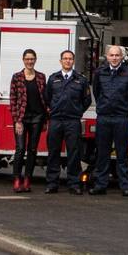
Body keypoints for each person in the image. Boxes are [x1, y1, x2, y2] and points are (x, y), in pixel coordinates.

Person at [90, 45, 128, 196]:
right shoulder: (99, 72)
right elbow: (97, 92)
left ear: (122, 57)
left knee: (122, 153)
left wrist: (123, 107)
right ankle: (101, 185)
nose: (114, 58)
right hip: (104, 118)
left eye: (117, 55)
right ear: (107, 56)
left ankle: (125, 186)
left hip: (121, 118)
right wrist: (105, 106)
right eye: (111, 55)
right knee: (102, 153)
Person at [44, 50, 93, 195]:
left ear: (73, 61)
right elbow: (47, 97)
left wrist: (77, 111)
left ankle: (74, 183)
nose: (67, 61)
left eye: (70, 59)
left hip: (73, 121)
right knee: (53, 152)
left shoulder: (81, 80)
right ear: (61, 61)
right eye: (65, 59)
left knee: (74, 153)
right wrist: (54, 109)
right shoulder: (53, 79)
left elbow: (87, 100)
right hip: (56, 120)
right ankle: (52, 183)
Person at [10, 49, 49, 193]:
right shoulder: (17, 77)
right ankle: (16, 179)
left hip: (37, 118)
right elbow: (13, 100)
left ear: (35, 60)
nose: (30, 61)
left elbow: (44, 98)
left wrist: (45, 119)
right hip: (21, 118)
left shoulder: (41, 77)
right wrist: (17, 121)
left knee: (32, 150)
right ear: (23, 60)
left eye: (32, 59)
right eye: (27, 59)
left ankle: (27, 179)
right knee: (20, 149)